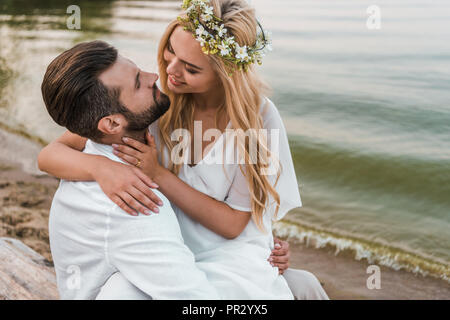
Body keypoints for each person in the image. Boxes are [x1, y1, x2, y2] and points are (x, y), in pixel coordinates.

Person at [39, 0, 328, 299]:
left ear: (225, 72)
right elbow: (49, 155)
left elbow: (232, 225)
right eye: (170, 50)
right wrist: (102, 168)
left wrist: (159, 175)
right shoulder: (155, 103)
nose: (170, 71)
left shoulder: (256, 122)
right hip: (166, 247)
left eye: (190, 68)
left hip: (224, 251)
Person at [41, 40, 220, 300]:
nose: (155, 76)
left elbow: (48, 155)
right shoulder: (135, 205)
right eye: (138, 82)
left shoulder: (94, 144)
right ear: (112, 123)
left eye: (138, 70)